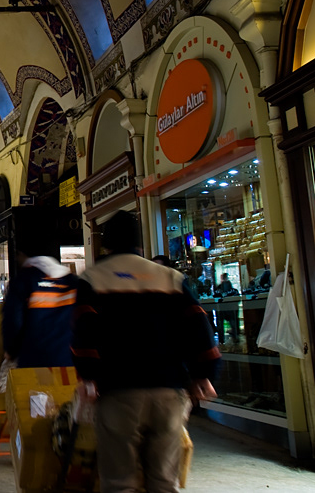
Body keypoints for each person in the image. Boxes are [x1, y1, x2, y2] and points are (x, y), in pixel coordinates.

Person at [73, 210, 219, 493]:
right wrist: (205, 373)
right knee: (164, 481)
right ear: (141, 244)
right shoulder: (170, 278)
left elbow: (83, 332)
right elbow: (199, 324)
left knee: (120, 482)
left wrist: (88, 377)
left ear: (106, 243)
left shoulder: (93, 279)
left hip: (119, 393)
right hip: (169, 393)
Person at [1, 223, 77, 368]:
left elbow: (12, 320)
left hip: (34, 362)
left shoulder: (23, 281)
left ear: (24, 253)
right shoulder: (72, 281)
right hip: (68, 363)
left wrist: (10, 350)